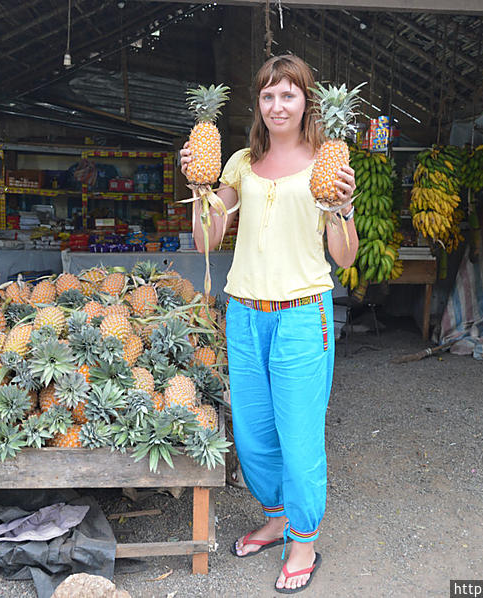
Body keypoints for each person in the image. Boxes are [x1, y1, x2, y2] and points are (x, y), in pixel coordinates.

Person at [180, 54, 357, 593]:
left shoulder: (330, 164)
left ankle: (303, 539)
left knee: (299, 437)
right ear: (257, 103)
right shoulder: (240, 162)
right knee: (255, 438)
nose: (277, 105)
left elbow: (345, 259)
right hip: (244, 313)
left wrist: (344, 208)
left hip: (304, 316)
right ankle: (277, 517)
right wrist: (200, 187)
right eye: (268, 95)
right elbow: (207, 240)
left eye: (289, 94)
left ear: (307, 101)